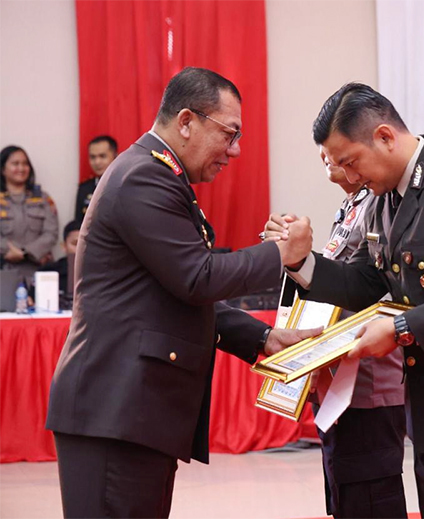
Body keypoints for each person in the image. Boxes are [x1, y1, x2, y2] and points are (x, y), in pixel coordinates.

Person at [46, 67, 317, 518]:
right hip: (115, 412)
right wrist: (281, 253)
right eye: (229, 134)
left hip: (131, 412)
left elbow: (179, 290)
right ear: (187, 121)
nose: (235, 150)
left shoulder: (160, 175)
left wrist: (263, 339)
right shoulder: (143, 177)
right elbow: (198, 277)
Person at [269, 82, 424, 517]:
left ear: (384, 137)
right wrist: (301, 262)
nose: (347, 177)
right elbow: (363, 281)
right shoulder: (385, 199)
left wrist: (403, 328)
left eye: (349, 162)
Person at [316, 157, 407, 518]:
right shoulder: (352, 203)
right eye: (323, 156)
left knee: (370, 497)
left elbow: (373, 287)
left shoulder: (381, 202)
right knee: (346, 492)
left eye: (337, 155)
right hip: (340, 378)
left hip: (369, 381)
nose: (329, 163)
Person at [0, 145, 59, 285]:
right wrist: (8, 250)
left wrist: (25, 253)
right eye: (15, 164)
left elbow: (51, 233)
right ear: (3, 169)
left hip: (38, 270)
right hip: (4, 268)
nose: (21, 168)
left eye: (25, 164)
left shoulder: (43, 198)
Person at [75, 135, 118, 221]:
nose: (97, 162)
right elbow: (79, 221)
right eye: (93, 157)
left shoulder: (124, 184)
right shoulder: (84, 188)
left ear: (115, 156)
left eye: (102, 156)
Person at [37, 219, 80, 294]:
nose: (80, 249)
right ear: (64, 246)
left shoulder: (100, 274)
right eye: (75, 244)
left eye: (85, 244)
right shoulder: (48, 272)